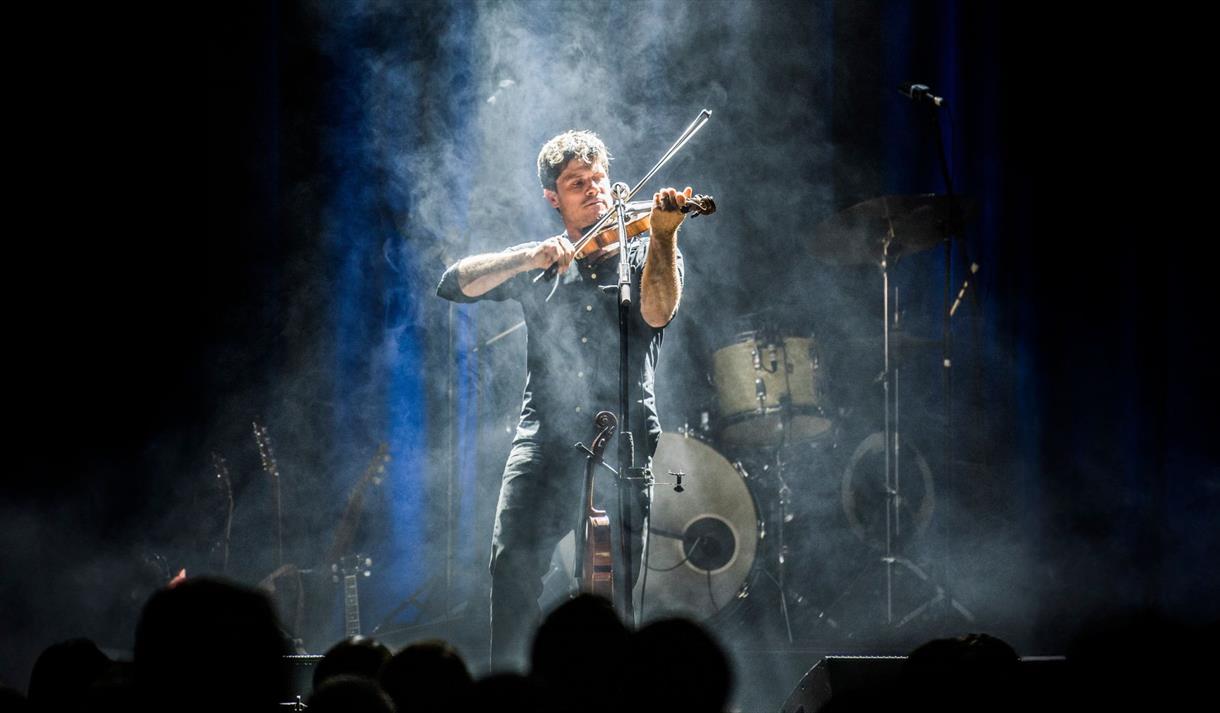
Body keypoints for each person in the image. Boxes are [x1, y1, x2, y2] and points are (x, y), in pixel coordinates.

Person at [436, 129, 690, 666]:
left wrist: (665, 236)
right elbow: (453, 284)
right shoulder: (547, 261)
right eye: (577, 182)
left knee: (615, 590)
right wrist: (530, 255)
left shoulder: (646, 249)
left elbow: (658, 313)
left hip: (622, 438)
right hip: (546, 437)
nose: (594, 189)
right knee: (511, 569)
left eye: (599, 177)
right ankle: (509, 687)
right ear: (554, 197)